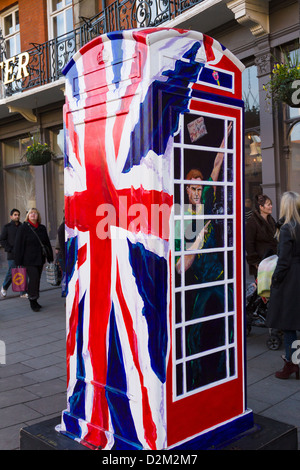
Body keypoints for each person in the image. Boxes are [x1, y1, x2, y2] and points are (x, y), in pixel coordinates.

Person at [266, 191, 300, 379]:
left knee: (289, 325)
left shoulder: (288, 228)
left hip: (290, 280)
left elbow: (284, 261)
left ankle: (292, 364)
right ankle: (295, 363)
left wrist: (275, 279)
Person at [14, 208, 53, 312]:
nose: (33, 214)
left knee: (37, 279)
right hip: (29, 260)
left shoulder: (42, 228)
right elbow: (18, 245)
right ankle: (32, 300)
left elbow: (47, 243)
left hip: (40, 258)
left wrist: (50, 257)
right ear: (28, 216)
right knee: (34, 279)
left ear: (38, 216)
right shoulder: (23, 228)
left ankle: (35, 299)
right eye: (31, 213)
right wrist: (18, 261)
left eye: (35, 213)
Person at [245, 194, 278, 278]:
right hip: (261, 263)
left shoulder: (271, 220)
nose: (271, 206)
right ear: (261, 207)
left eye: (271, 204)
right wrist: (256, 262)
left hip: (273, 261)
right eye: (268, 204)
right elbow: (249, 243)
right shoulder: (252, 222)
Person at [0, 208, 27, 298]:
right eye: (15, 215)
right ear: (11, 216)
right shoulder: (6, 227)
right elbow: (2, 240)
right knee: (12, 272)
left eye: (18, 215)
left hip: (22, 253)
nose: (17, 216)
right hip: (12, 254)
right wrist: (10, 249)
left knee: (22, 272)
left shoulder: (22, 226)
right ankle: (4, 287)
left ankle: (22, 293)